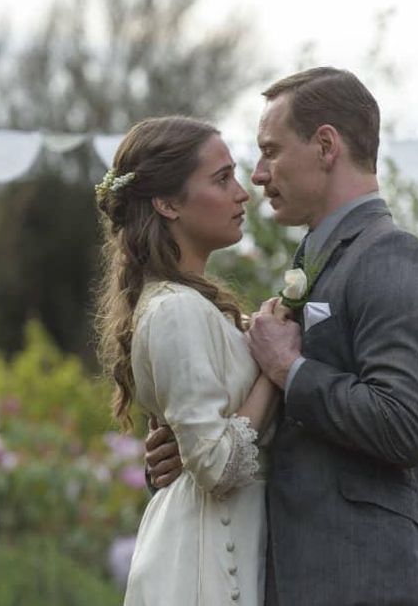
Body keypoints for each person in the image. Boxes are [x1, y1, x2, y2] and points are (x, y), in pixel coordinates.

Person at [146, 67, 418, 605]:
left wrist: (292, 371)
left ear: (326, 145)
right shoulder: (314, 262)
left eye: (270, 151)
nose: (259, 175)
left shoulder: (392, 256)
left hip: (368, 585)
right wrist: (198, 444)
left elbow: (406, 424)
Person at [95, 115, 280, 605]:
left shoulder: (196, 306)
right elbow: (217, 465)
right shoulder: (175, 311)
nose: (242, 193)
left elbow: (202, 439)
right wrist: (274, 371)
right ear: (167, 203)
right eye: (221, 179)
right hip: (201, 565)